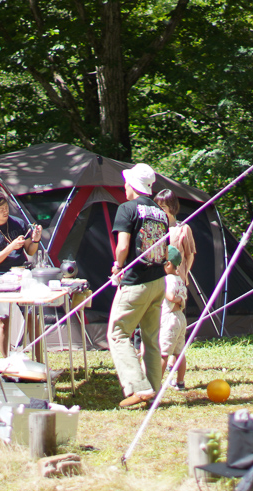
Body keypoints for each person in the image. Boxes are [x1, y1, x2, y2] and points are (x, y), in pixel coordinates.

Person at [108, 163, 169, 408]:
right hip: (158, 282)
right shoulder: (160, 211)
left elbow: (123, 246)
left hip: (135, 283)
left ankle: (138, 387)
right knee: (151, 339)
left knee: (118, 333)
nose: (124, 185)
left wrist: (117, 265)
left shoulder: (127, 209)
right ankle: (153, 391)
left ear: (132, 184)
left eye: (126, 182)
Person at [0, 191, 43, 358]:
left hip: (21, 274)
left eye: (6, 207)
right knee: (3, 321)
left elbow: (30, 250)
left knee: (32, 317)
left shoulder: (18, 224)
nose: (5, 211)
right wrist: (11, 247)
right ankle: (7, 360)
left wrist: (35, 240)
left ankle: (39, 359)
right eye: (0, 209)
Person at [159, 246, 187, 390]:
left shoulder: (167, 279)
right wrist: (180, 299)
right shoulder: (180, 279)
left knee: (164, 353)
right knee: (179, 352)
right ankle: (180, 382)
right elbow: (184, 298)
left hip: (170, 319)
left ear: (168, 264)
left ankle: (156, 385)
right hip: (180, 318)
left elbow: (169, 296)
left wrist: (172, 297)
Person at [154, 189, 196, 286]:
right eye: (157, 206)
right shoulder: (154, 227)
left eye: (163, 207)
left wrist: (184, 274)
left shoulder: (183, 229)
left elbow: (190, 256)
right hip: (156, 279)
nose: (160, 210)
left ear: (172, 207)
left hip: (175, 279)